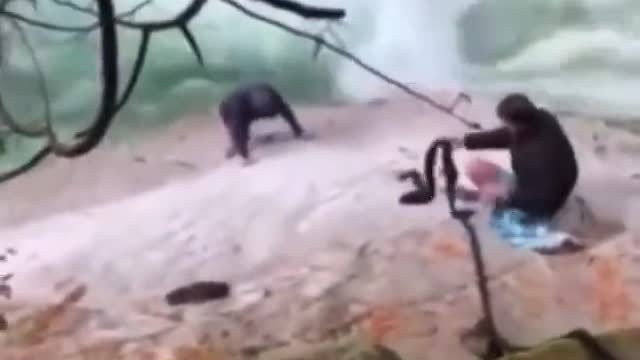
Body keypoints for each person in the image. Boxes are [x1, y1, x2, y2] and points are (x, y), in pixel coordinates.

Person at [447, 93, 579, 223]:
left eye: (505, 122)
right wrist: (466, 141)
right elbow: (509, 135)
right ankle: (487, 196)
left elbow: (540, 198)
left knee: (488, 192)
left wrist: (503, 199)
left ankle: (491, 206)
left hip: (543, 203)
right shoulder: (542, 118)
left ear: (518, 125)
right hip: (536, 183)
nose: (502, 125)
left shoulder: (533, 157)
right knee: (475, 167)